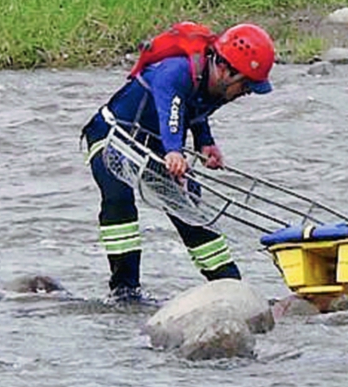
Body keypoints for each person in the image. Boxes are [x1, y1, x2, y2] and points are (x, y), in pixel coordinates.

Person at [81, 23, 275, 303]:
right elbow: (170, 106)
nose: (246, 92)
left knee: (190, 210)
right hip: (112, 136)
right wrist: (173, 151)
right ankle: (124, 291)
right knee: (118, 198)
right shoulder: (177, 71)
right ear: (225, 69)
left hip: (154, 148)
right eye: (245, 85)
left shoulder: (217, 85)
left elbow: (195, 109)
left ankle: (231, 286)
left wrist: (205, 142)